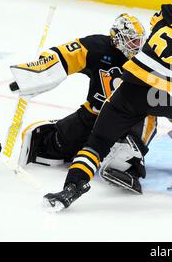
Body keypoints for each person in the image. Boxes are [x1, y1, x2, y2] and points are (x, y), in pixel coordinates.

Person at [43, 0, 172, 211]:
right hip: (159, 94)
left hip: (126, 90)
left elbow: (154, 22)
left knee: (95, 145)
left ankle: (70, 189)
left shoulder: (167, 13)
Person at [10, 14, 155, 194]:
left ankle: (131, 164)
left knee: (127, 150)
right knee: (52, 146)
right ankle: (70, 142)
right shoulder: (98, 48)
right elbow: (63, 55)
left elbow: (169, 94)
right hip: (95, 113)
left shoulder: (149, 58)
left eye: (138, 41)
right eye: (131, 41)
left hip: (130, 119)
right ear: (116, 37)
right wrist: (35, 74)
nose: (136, 47)